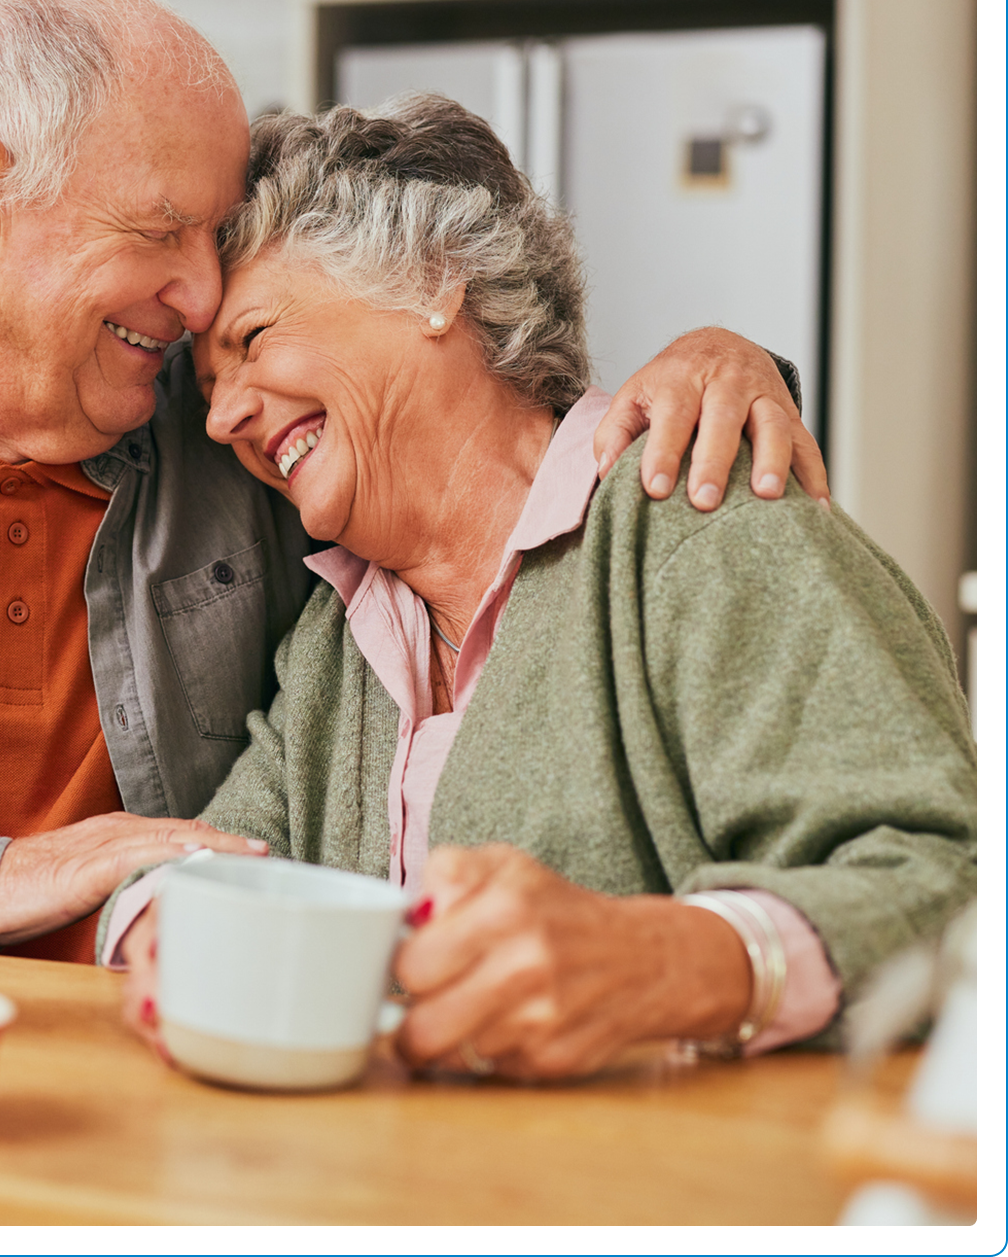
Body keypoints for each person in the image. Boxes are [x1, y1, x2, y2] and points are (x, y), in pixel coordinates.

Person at [0, 0, 826, 965]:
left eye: (215, 245)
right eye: (163, 230)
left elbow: (464, 437)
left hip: (144, 1077)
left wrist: (722, 363)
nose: (204, 296)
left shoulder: (223, 429)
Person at [110, 95, 975, 1078]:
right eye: (208, 389)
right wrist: (160, 921)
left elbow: (940, 878)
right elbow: (215, 861)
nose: (222, 419)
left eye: (255, 339)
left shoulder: (698, 525)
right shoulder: (338, 640)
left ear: (431, 283)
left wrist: (665, 962)